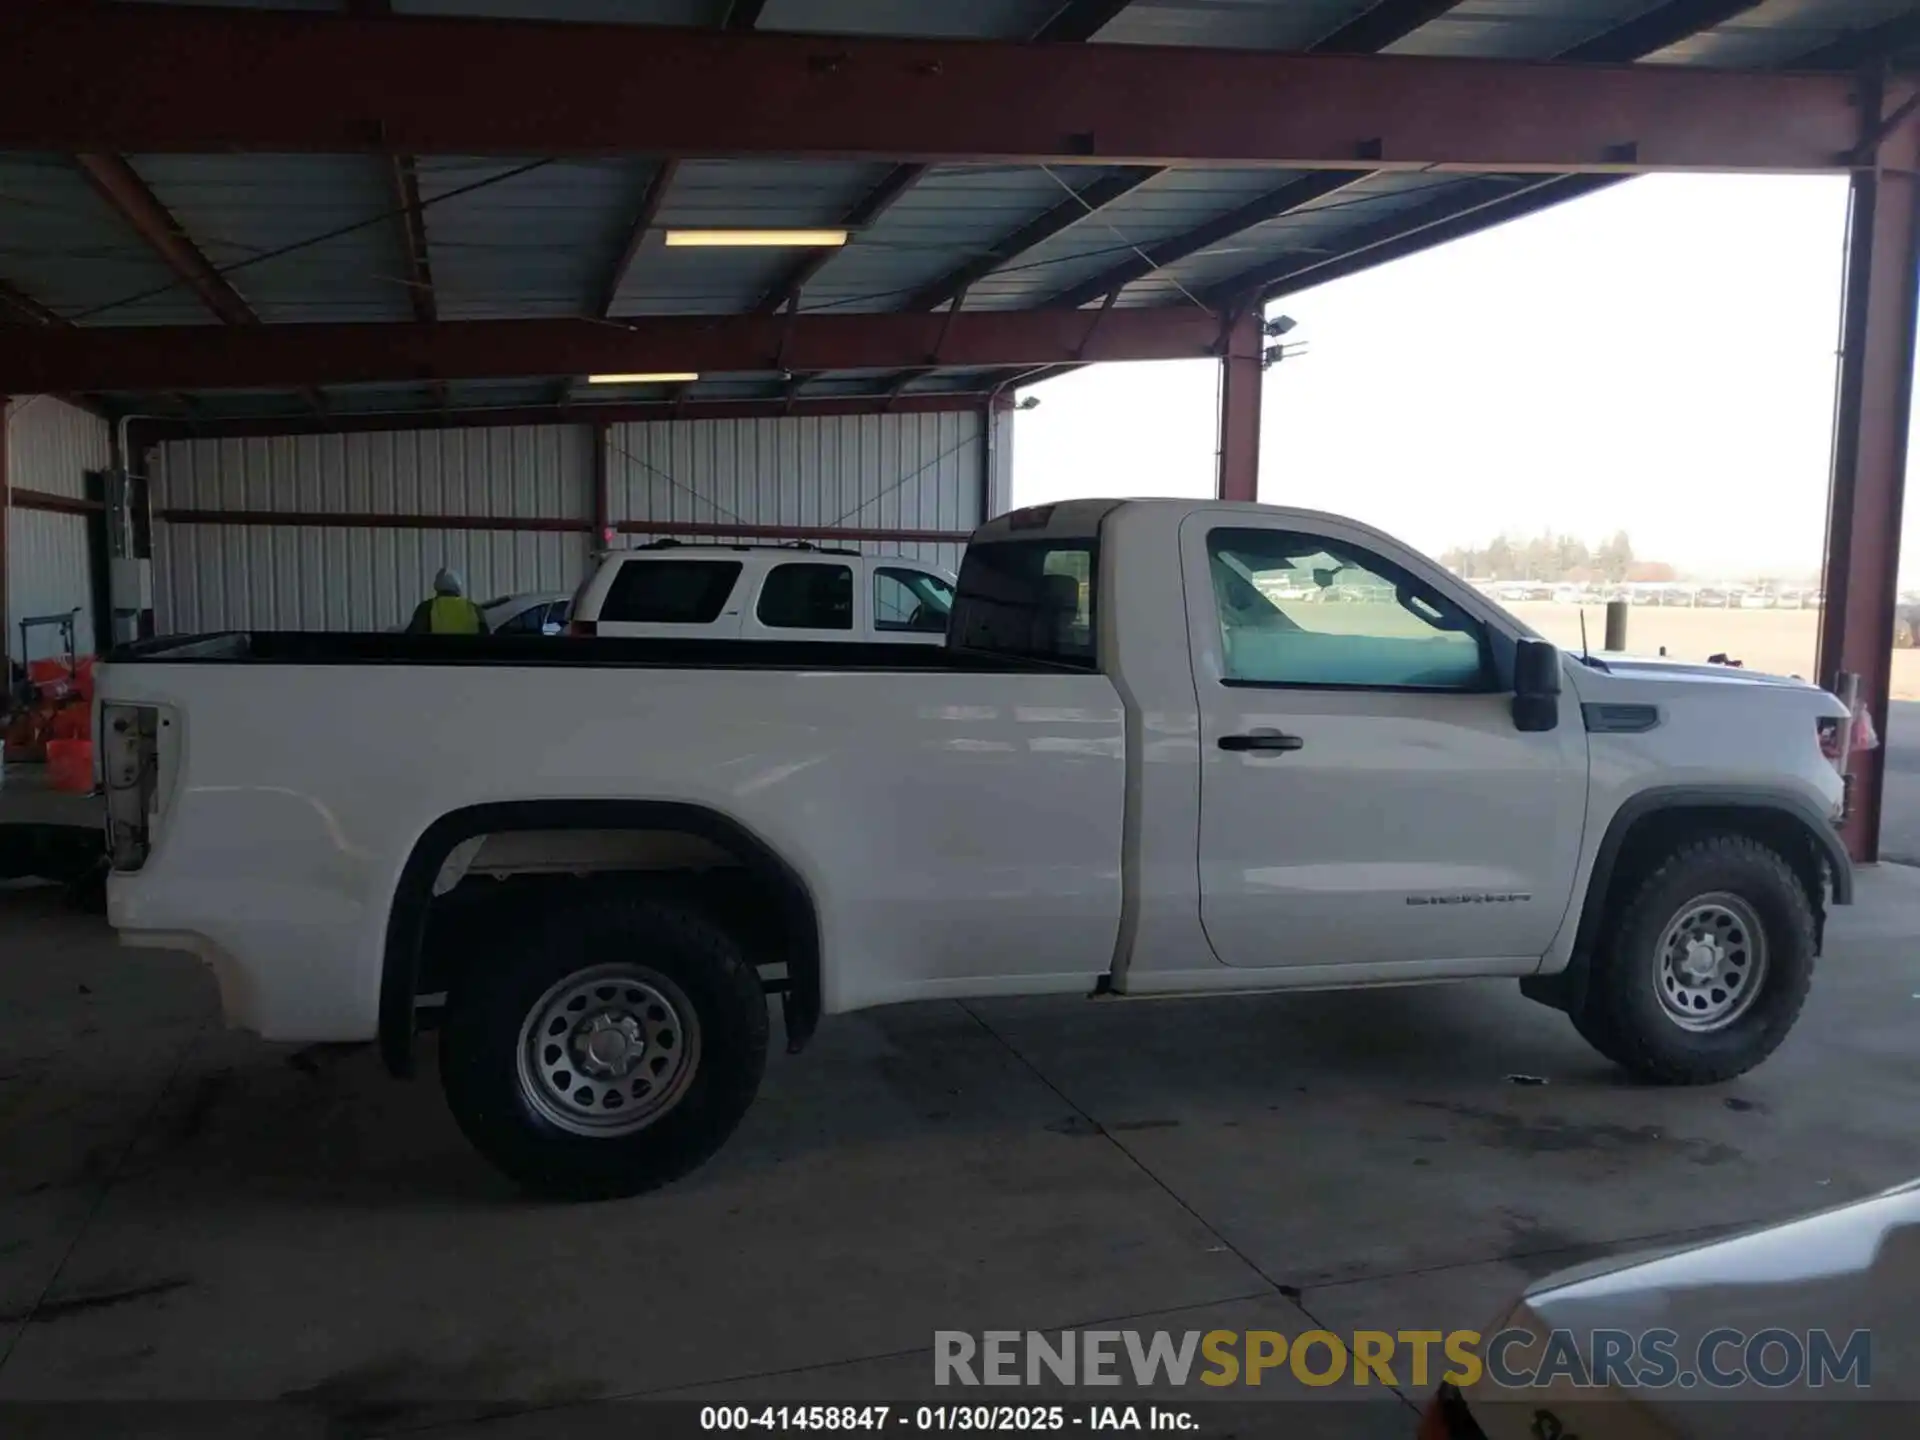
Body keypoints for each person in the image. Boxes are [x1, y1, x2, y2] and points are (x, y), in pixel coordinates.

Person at [405, 567, 490, 635]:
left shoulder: (426, 608)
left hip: (436, 655)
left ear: (436, 587)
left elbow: (413, 637)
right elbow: (486, 638)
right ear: (459, 587)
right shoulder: (474, 609)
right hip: (469, 655)